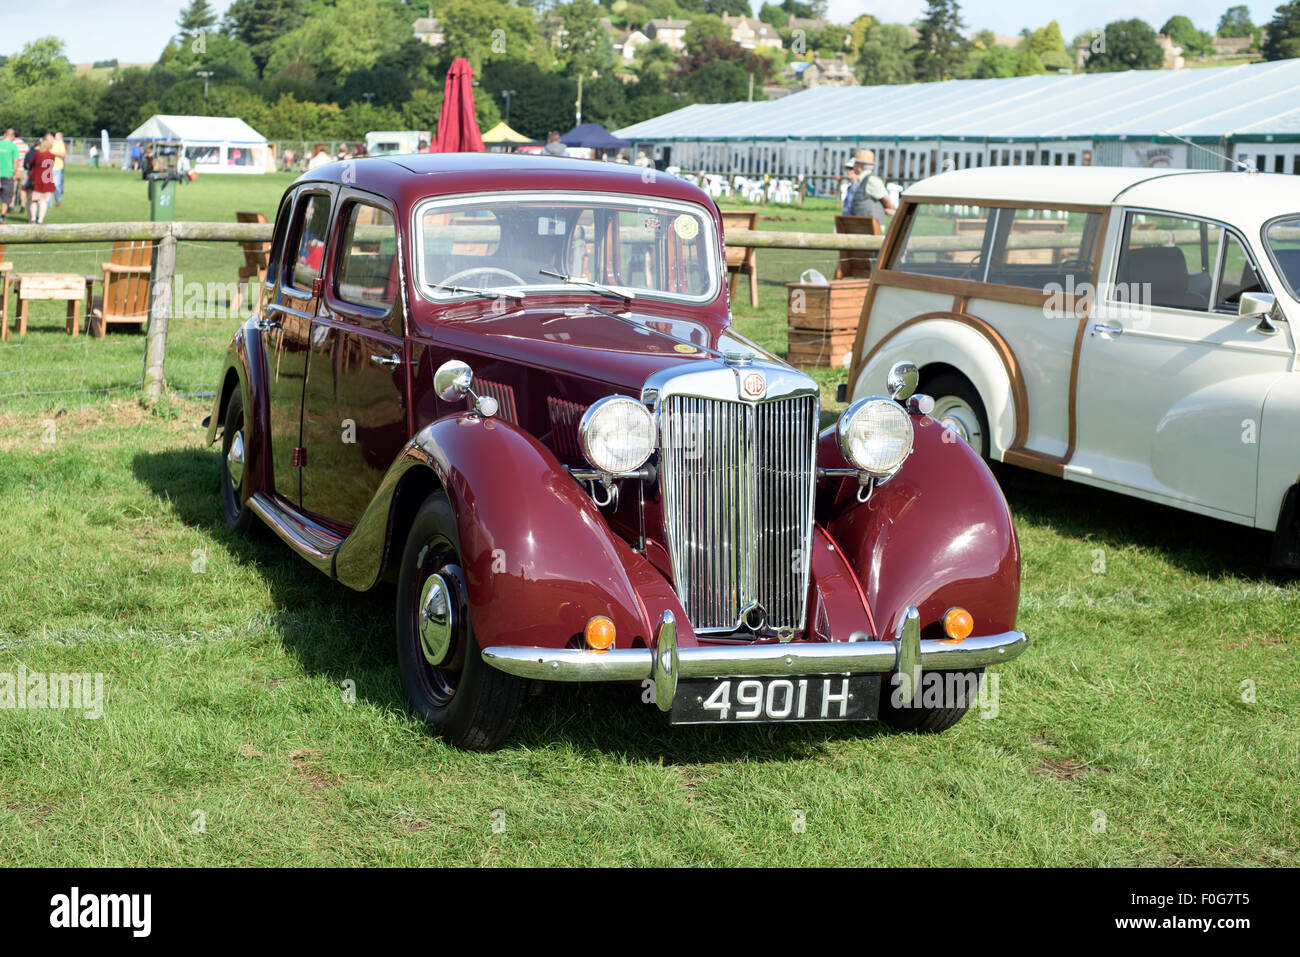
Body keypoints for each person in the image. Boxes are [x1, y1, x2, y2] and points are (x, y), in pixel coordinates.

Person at [848, 148, 896, 223]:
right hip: (864, 224)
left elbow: (886, 199)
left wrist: (890, 209)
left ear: (860, 166)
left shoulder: (872, 180)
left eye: (855, 163)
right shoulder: (862, 179)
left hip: (872, 224)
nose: (853, 166)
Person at [27, 135, 57, 223]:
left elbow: (31, 164)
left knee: (34, 200)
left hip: (37, 181)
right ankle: (40, 220)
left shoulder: (38, 154)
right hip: (47, 181)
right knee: (43, 201)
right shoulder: (52, 155)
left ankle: (33, 219)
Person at [0, 129, 18, 223]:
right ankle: (2, 215)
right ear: (13, 137)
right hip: (7, 175)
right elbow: (15, 162)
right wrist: (15, 173)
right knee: (6, 197)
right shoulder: (13, 146)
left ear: (4, 135)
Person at [50, 131, 67, 206]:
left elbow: (63, 154)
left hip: (58, 167)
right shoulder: (49, 143)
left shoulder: (60, 143)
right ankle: (49, 203)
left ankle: (58, 199)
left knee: (56, 185)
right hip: (48, 167)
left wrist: (53, 152)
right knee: (49, 185)